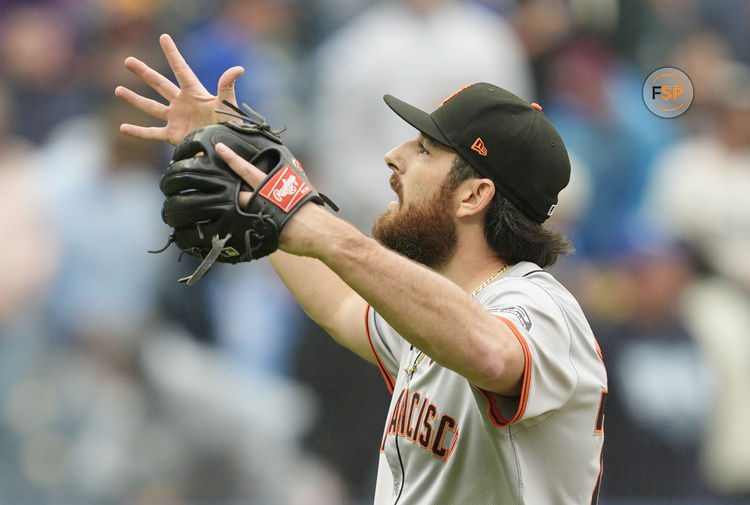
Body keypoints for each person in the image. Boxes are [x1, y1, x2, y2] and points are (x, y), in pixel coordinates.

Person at [115, 34, 607, 504]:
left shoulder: (539, 306)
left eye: (424, 150)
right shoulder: (438, 313)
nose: (394, 157)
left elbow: (491, 353)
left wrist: (315, 224)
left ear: (474, 195)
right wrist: (238, 163)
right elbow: (342, 301)